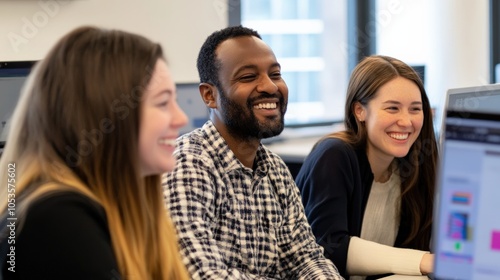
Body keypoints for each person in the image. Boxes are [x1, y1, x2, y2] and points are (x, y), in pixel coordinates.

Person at [0, 26, 190, 279]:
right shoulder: (55, 220)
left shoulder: (112, 210)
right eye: (163, 102)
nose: (181, 118)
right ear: (107, 114)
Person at [162, 25, 343, 279]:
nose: (270, 86)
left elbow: (306, 260)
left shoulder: (275, 169)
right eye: (248, 77)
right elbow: (202, 275)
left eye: (276, 74)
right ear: (209, 95)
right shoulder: (187, 164)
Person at [295, 55, 438, 280]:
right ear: (359, 111)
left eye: (415, 109)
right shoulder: (334, 156)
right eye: (392, 108)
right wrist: (422, 261)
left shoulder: (415, 164)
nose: (406, 121)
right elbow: (326, 250)